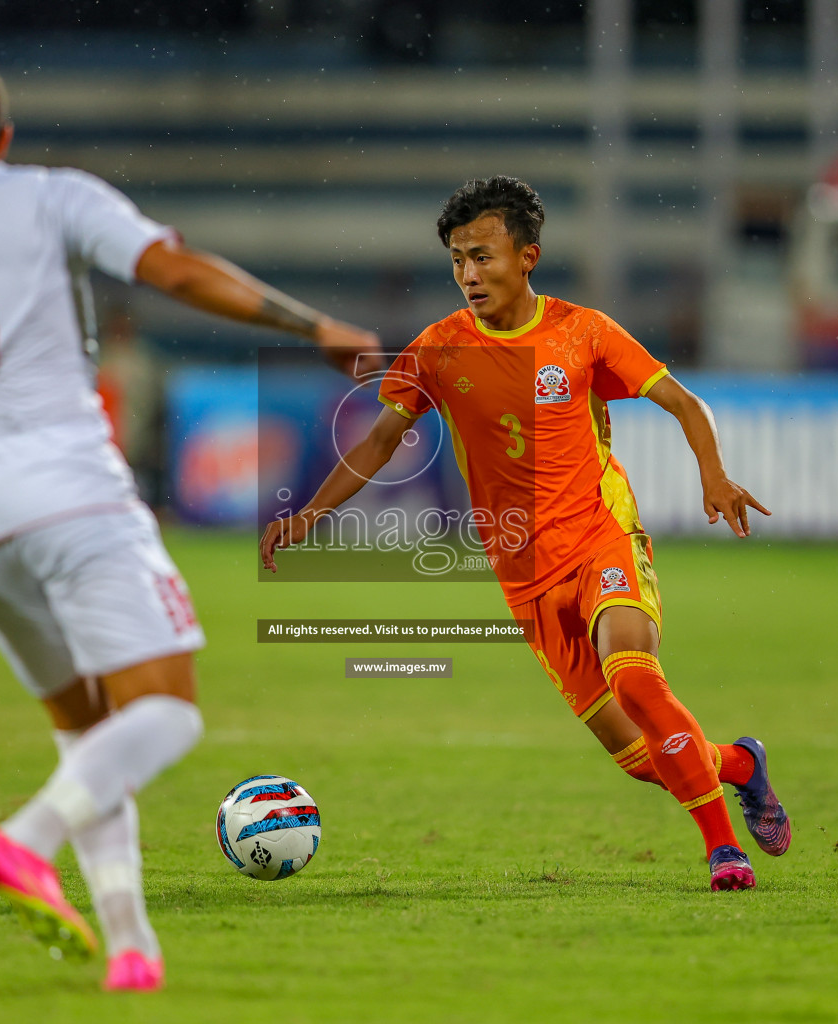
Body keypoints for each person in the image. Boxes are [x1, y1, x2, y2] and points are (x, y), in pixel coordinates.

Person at [0, 57, 378, 991]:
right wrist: (312, 324)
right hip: (69, 488)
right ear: (4, 138)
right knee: (165, 712)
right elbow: (172, 269)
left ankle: (132, 947)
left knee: (87, 738)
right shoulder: (52, 197)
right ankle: (23, 839)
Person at [259, 175, 789, 891]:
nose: (468, 275)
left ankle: (724, 851)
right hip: (524, 576)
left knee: (634, 678)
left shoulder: (585, 333)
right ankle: (741, 764)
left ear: (528, 255)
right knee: (638, 757)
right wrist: (311, 514)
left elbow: (685, 403)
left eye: (483, 256)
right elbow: (382, 439)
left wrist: (714, 476)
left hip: (601, 534)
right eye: (457, 260)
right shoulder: (439, 350)